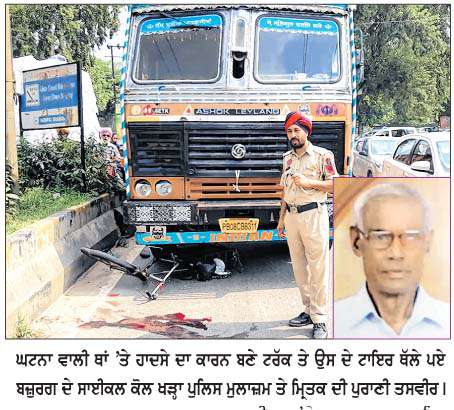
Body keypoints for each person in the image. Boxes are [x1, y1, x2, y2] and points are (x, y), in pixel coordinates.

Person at [334, 183, 449, 338]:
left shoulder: (447, 321)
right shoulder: (334, 323)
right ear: (356, 241)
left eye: (410, 236)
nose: (395, 253)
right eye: (381, 236)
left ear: (428, 242)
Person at [277, 111, 338, 339]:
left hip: (313, 214)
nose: (293, 135)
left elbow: (335, 185)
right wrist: (281, 219)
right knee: (300, 269)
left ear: (306, 132)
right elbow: (285, 191)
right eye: (289, 131)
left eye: (296, 130)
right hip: (292, 217)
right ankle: (308, 310)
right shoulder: (287, 158)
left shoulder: (323, 156)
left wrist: (308, 182)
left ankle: (320, 319)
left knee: (318, 269)